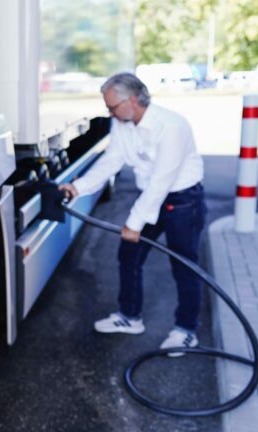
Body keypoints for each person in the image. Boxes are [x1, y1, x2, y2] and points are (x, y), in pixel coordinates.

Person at [59, 72, 206, 356]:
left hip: (182, 200)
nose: (109, 112)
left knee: (184, 265)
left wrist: (134, 223)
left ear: (134, 100)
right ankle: (130, 317)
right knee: (129, 254)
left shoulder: (172, 126)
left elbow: (162, 180)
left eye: (112, 107)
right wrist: (78, 187)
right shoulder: (122, 123)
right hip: (151, 197)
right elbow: (111, 160)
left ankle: (186, 331)